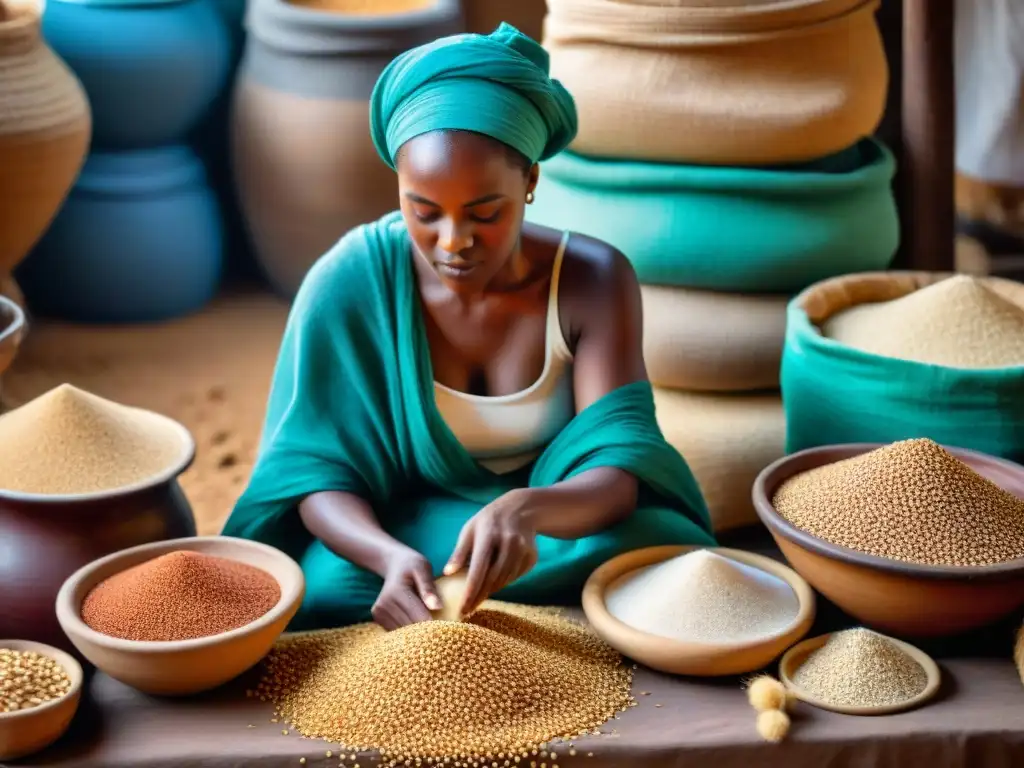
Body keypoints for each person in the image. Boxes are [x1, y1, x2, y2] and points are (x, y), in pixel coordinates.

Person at [221, 23, 715, 632]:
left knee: (663, 543)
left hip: (550, 525)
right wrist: (388, 556)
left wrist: (527, 510)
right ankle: (470, 595)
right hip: (403, 526)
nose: (452, 243)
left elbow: (617, 473)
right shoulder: (351, 278)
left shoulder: (591, 278)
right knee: (319, 586)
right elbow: (312, 472)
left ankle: (484, 593)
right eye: (422, 212)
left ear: (530, 182)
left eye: (485, 213)